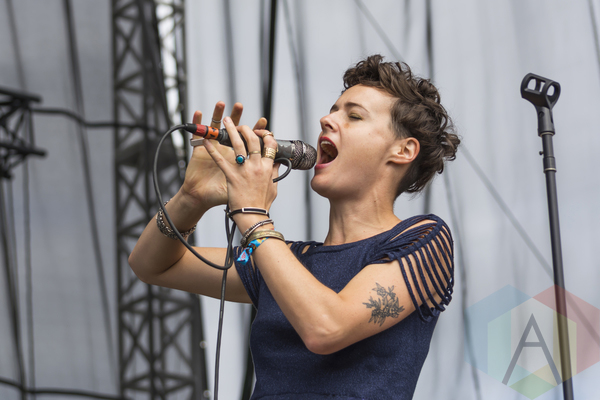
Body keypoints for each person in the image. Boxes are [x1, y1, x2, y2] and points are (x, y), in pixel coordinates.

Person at [129, 54, 460, 399]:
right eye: (332, 110)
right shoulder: (283, 260)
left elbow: (326, 329)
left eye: (354, 116)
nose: (326, 119)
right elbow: (151, 265)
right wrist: (190, 198)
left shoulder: (424, 239)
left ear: (403, 150)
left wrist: (252, 214)